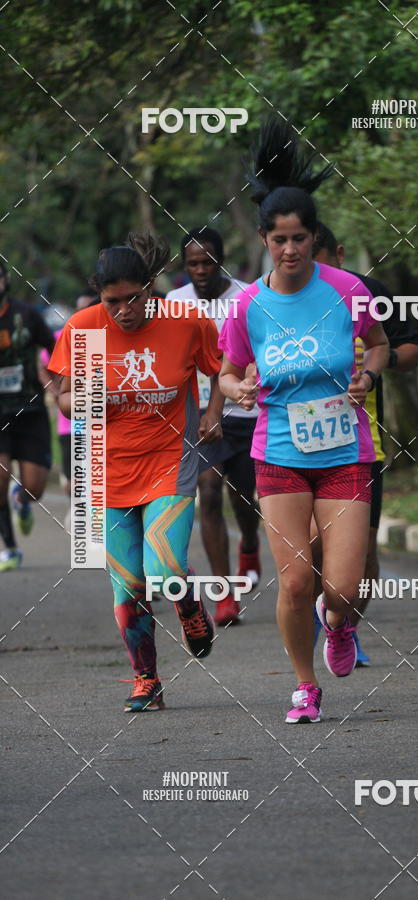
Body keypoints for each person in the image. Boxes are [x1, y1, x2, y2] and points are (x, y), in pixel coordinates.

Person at [219, 118, 389, 723]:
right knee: (294, 582)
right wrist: (238, 388)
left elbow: (379, 345)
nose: (290, 250)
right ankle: (304, 685)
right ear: (263, 239)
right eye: (279, 240)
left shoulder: (348, 290)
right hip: (279, 454)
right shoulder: (247, 305)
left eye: (299, 239)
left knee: (344, 586)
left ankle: (338, 623)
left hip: (345, 453)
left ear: (314, 237)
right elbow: (227, 371)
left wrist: (368, 376)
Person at [48, 233, 223, 712]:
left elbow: (217, 368)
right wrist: (89, 399)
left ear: (150, 287)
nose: (124, 311)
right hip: (105, 470)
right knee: (128, 585)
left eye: (134, 298)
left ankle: (188, 604)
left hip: (170, 460)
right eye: (113, 302)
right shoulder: (84, 328)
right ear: (99, 297)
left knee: (164, 570)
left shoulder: (186, 321)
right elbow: (63, 399)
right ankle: (147, 680)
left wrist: (213, 412)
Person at [312, 223, 418, 665]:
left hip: (361, 444)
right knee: (310, 548)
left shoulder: (368, 294)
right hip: (294, 447)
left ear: (339, 254)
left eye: (320, 262)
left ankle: (346, 629)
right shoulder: (279, 298)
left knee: (364, 553)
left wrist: (376, 362)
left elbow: (413, 350)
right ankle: (319, 612)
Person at [166, 228, 260, 626]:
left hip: (246, 412)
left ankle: (250, 545)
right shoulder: (175, 303)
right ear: (184, 266)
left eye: (207, 262)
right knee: (207, 491)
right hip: (199, 416)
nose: (201, 270)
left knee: (243, 495)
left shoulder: (246, 296)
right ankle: (224, 594)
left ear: (220, 261)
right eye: (193, 264)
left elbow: (258, 350)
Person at [0, 260, 55, 571]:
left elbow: (55, 347)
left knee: (35, 488)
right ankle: (10, 548)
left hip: (30, 410)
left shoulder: (27, 314)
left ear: (6, 279)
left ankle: (20, 499)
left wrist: (60, 384)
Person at [39, 291, 98, 530]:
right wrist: (55, 391)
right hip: (70, 423)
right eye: (80, 310)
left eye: (90, 309)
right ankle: (77, 506)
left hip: (100, 422)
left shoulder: (109, 337)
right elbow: (42, 364)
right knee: (72, 478)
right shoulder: (63, 336)